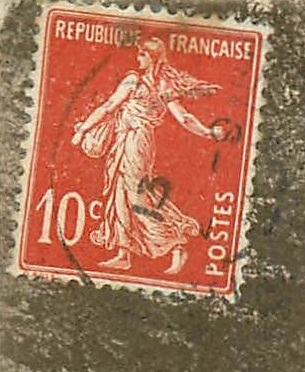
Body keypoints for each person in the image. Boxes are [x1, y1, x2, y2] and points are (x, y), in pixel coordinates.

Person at [70, 36, 229, 274]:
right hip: (130, 141)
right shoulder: (163, 85)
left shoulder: (134, 81)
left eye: (142, 54)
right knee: (120, 191)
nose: (137, 58)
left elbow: (108, 107)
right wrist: (208, 132)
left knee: (135, 195)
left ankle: (175, 244)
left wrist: (83, 130)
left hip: (135, 142)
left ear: (151, 56)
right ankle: (124, 253)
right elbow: (183, 118)